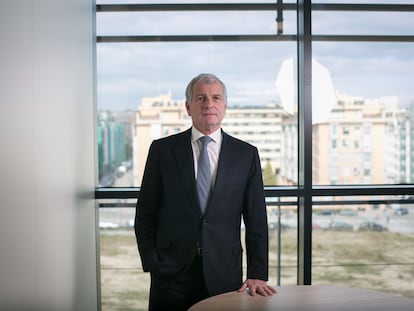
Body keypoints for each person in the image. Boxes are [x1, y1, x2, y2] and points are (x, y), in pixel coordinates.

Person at [134, 73, 276, 311]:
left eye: (216, 98)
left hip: (224, 271)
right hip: (170, 273)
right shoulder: (162, 151)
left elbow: (257, 220)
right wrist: (152, 262)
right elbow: (145, 212)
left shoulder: (246, 155)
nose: (209, 103)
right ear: (188, 107)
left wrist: (257, 273)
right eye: (200, 98)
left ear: (225, 106)